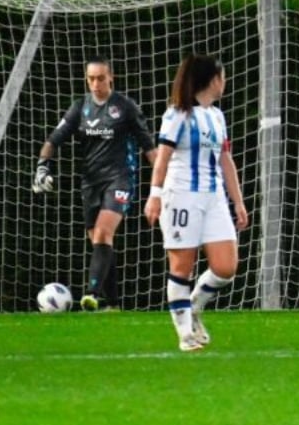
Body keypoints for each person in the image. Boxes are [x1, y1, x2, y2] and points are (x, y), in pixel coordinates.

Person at [143, 54, 248, 352]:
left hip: (213, 198)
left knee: (226, 267)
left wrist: (237, 201)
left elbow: (225, 160)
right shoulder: (177, 115)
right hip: (182, 196)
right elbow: (162, 158)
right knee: (181, 266)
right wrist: (155, 195)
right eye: (223, 77)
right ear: (214, 79)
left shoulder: (216, 115)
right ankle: (185, 334)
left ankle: (194, 306)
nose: (225, 82)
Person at [34, 56, 156, 311]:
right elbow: (53, 140)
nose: (96, 83)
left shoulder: (125, 107)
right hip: (90, 182)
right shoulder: (80, 108)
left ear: (111, 77)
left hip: (120, 178)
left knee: (103, 233)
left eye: (101, 78)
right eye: (91, 79)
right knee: (100, 242)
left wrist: (162, 186)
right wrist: (42, 167)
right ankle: (112, 304)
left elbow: (149, 148)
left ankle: (91, 294)